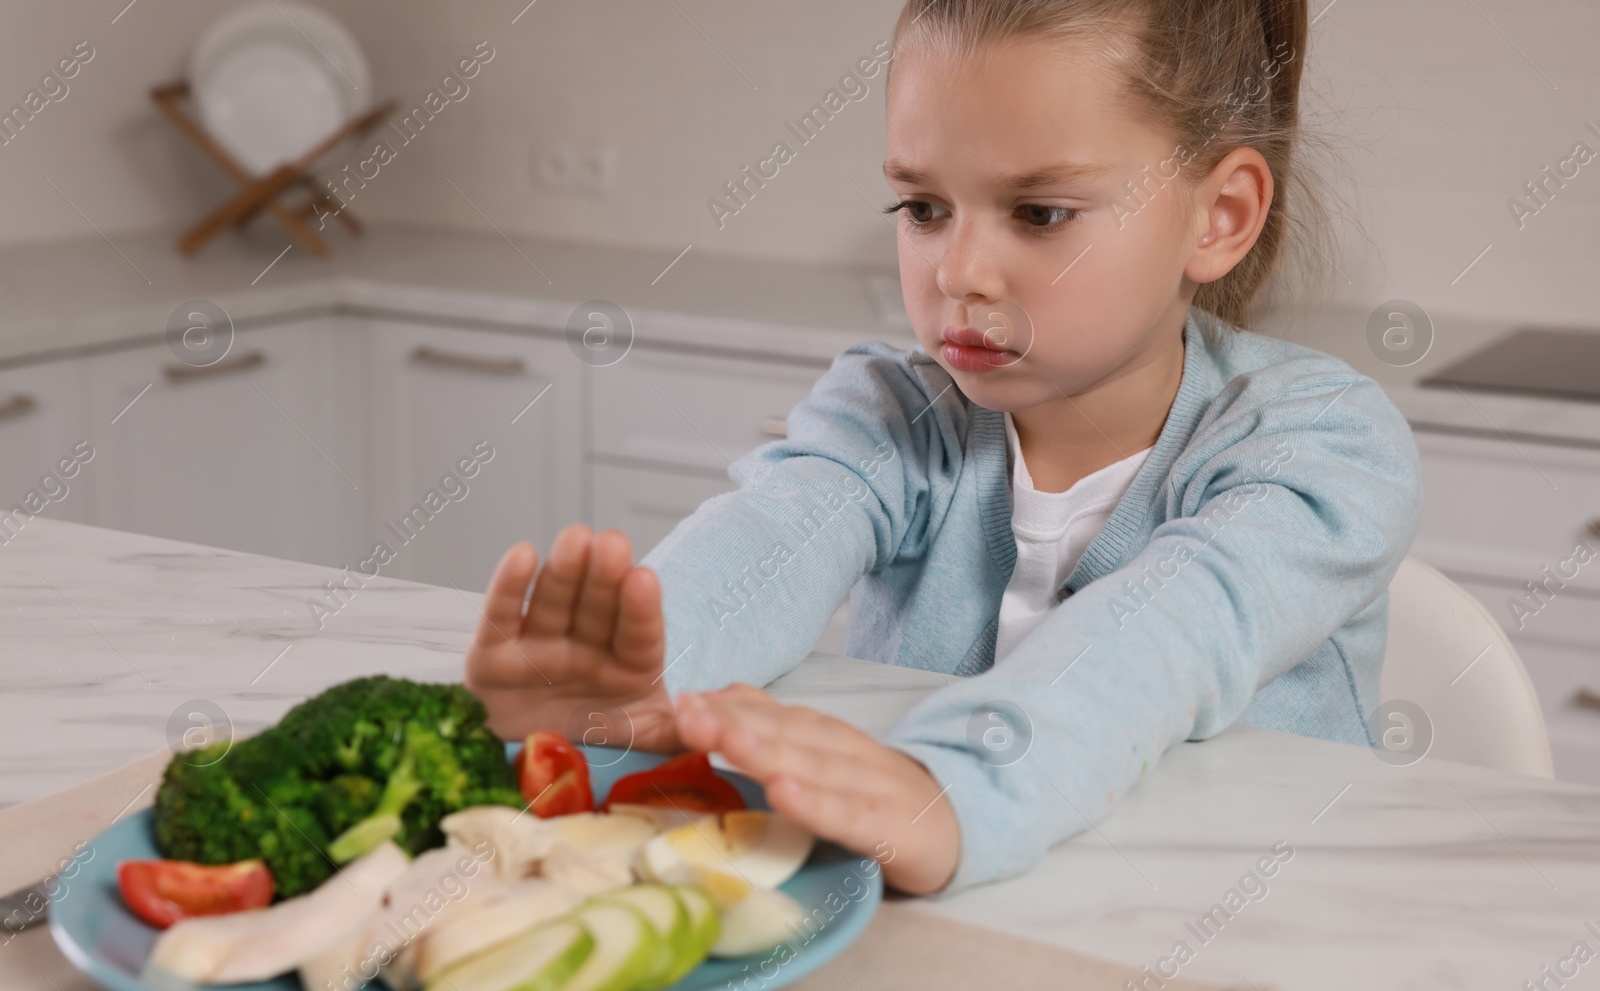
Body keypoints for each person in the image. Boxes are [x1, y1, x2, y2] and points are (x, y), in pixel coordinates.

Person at [465, 0, 1421, 898]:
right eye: (923, 208)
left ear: (1220, 217)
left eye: (1040, 213)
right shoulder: (891, 415)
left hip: (1238, 924)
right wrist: (645, 674)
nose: (958, 272)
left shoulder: (1320, 446)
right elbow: (772, 534)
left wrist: (952, 786)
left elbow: (1165, 634)